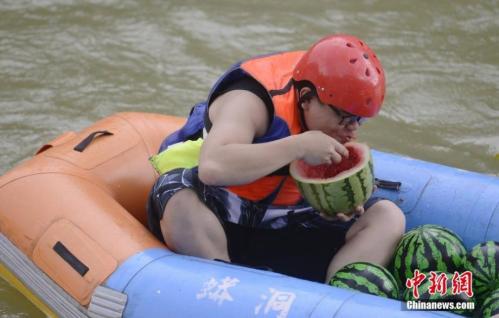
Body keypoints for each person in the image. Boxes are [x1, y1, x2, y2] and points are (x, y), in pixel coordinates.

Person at [147, 34, 405, 283]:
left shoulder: (330, 117)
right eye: (345, 117)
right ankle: (227, 296)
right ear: (306, 98)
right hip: (221, 214)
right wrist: (299, 146)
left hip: (287, 225)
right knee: (176, 197)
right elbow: (213, 166)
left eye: (360, 119)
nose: (353, 129)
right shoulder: (251, 99)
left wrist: (333, 208)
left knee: (388, 216)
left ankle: (334, 299)